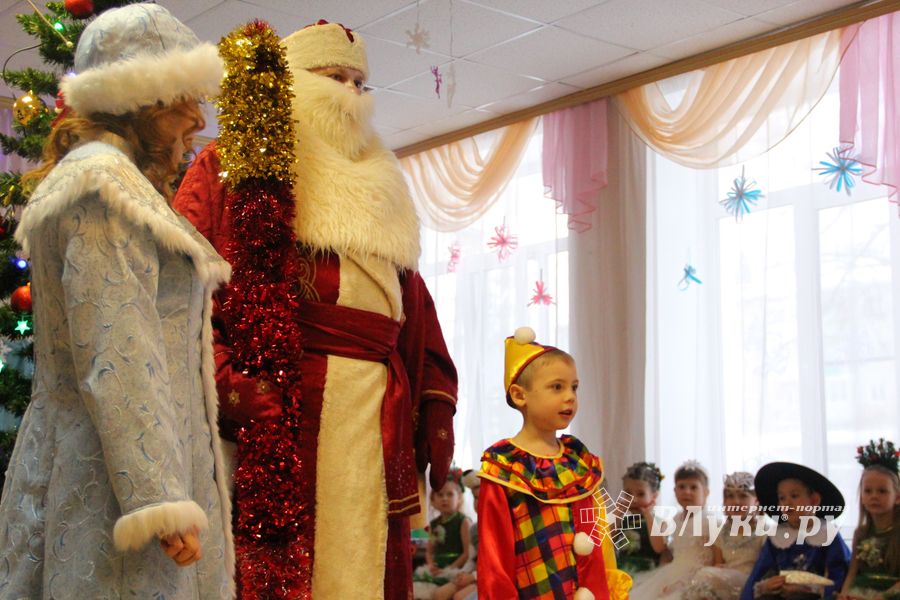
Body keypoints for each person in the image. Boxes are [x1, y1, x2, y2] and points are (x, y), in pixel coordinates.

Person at [172, 19, 458, 599]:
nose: (351, 93)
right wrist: (228, 379)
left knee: (369, 566)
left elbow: (414, 307)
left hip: (378, 412)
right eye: (334, 77)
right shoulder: (237, 163)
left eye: (360, 81)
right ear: (294, 83)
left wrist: (435, 402)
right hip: (288, 403)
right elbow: (183, 290)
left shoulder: (385, 179)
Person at [0, 4, 233, 599]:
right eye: (185, 98)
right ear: (146, 98)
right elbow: (117, 350)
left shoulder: (107, 183)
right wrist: (158, 497)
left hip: (112, 478)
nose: (198, 118)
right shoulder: (104, 189)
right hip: (112, 493)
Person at [476, 327, 630, 600]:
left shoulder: (579, 463)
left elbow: (600, 538)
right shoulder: (504, 468)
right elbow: (494, 560)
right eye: (557, 387)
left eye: (574, 387)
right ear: (520, 395)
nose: (570, 396)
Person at [741, 462, 851, 600]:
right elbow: (758, 574)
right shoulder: (776, 537)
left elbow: (839, 577)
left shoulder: (828, 535)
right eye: (782, 498)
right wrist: (765, 586)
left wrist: (810, 589)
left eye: (794, 496)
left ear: (814, 500)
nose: (787, 503)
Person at [630, 460, 715, 599]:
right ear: (675, 491)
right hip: (672, 573)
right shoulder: (676, 518)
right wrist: (648, 514)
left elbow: (714, 558)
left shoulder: (709, 520)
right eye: (681, 487)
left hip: (697, 577)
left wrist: (685, 582)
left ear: (706, 492)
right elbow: (660, 547)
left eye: (693, 487)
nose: (687, 492)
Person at [683, 471, 767, 600]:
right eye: (730, 496)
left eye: (743, 496)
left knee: (705, 575)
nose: (736, 502)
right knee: (701, 578)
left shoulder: (766, 530)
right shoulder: (721, 532)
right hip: (724, 583)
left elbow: (766, 568)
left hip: (752, 583)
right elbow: (718, 564)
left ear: (756, 501)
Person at [838, 439, 900, 600]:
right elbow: (852, 574)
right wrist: (844, 594)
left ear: (897, 497)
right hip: (861, 591)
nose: (874, 496)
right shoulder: (861, 533)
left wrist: (882, 597)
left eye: (882, 491)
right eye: (868, 491)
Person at [414, 468, 472, 599]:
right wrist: (430, 565)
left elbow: (467, 553)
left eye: (450, 494)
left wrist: (449, 569)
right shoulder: (434, 524)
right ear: (433, 500)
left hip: (455, 567)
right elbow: (430, 550)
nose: (444, 499)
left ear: (459, 498)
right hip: (436, 568)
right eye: (440, 495)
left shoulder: (463, 522)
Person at [617, 461, 668, 584]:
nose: (633, 499)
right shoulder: (623, 521)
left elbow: (659, 548)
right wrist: (618, 515)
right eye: (628, 493)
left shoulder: (660, 522)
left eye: (641, 494)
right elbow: (609, 541)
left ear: (654, 496)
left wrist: (648, 515)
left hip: (647, 574)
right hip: (622, 573)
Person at [434, 469, 481, 600]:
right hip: (474, 573)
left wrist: (473, 577)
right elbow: (472, 559)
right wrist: (463, 574)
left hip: (488, 576)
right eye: (475, 498)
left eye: (481, 497)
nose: (477, 503)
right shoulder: (475, 529)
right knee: (439, 594)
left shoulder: (465, 522)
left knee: (460, 597)